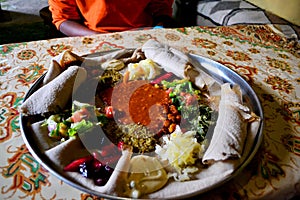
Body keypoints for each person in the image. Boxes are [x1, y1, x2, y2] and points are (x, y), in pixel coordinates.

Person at [48, 0, 178, 37]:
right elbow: (63, 19)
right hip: (94, 37)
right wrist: (100, 38)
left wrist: (159, 28)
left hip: (143, 35)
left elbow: (161, 9)